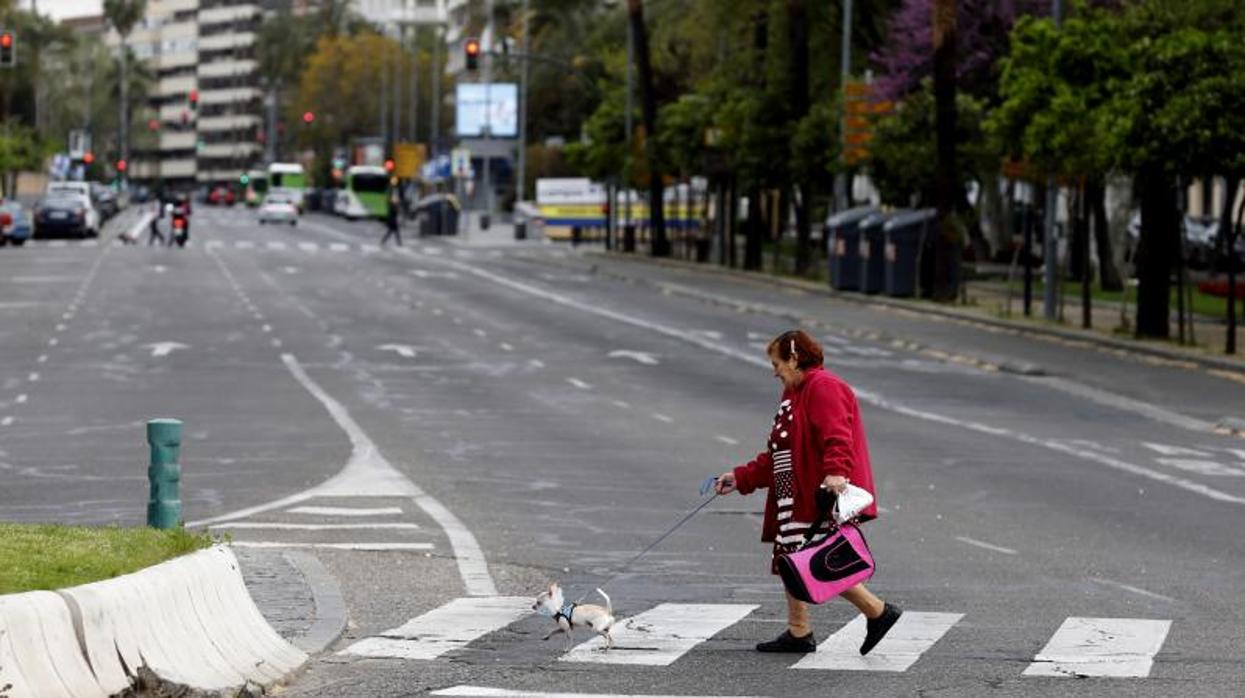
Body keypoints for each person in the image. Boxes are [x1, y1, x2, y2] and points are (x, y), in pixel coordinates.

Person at [715, 329, 902, 655]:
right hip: (790, 492)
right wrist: (741, 478)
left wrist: (835, 475)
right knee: (790, 559)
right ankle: (799, 631)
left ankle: (877, 611)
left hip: (813, 490)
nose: (774, 370)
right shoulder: (795, 393)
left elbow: (838, 436)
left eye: (777, 363)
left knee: (814, 561)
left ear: (794, 357)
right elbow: (778, 453)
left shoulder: (823, 387)